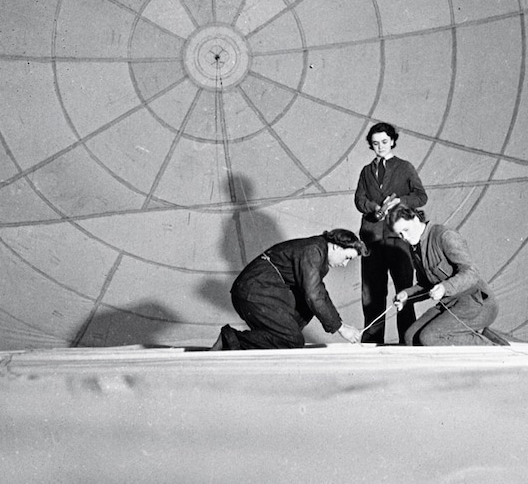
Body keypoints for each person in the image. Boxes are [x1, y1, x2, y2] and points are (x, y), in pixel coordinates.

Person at [211, 230, 367, 350]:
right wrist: (340, 328)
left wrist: (338, 323)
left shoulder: (317, 249)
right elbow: (314, 295)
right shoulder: (314, 251)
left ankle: (278, 337)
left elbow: (319, 294)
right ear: (335, 246)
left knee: (307, 308)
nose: (345, 264)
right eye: (347, 257)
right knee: (293, 340)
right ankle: (230, 339)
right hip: (253, 292)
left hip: (260, 291)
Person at [387, 205, 503, 346]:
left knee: (430, 338)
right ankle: (479, 335)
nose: (404, 237)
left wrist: (444, 287)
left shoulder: (444, 235)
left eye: (405, 230)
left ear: (416, 219)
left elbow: (472, 272)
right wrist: (407, 295)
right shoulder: (416, 246)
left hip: (477, 302)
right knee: (410, 338)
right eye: (399, 234)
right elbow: (426, 284)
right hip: (450, 304)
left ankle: (493, 346)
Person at [354, 122, 427, 344]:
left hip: (398, 241)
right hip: (372, 240)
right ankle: (372, 342)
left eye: (384, 142)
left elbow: (421, 196)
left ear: (393, 141)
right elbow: (359, 199)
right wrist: (374, 209)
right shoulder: (366, 171)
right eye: (375, 143)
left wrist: (399, 202)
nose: (380, 147)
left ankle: (408, 340)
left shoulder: (405, 167)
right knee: (371, 295)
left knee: (405, 291)